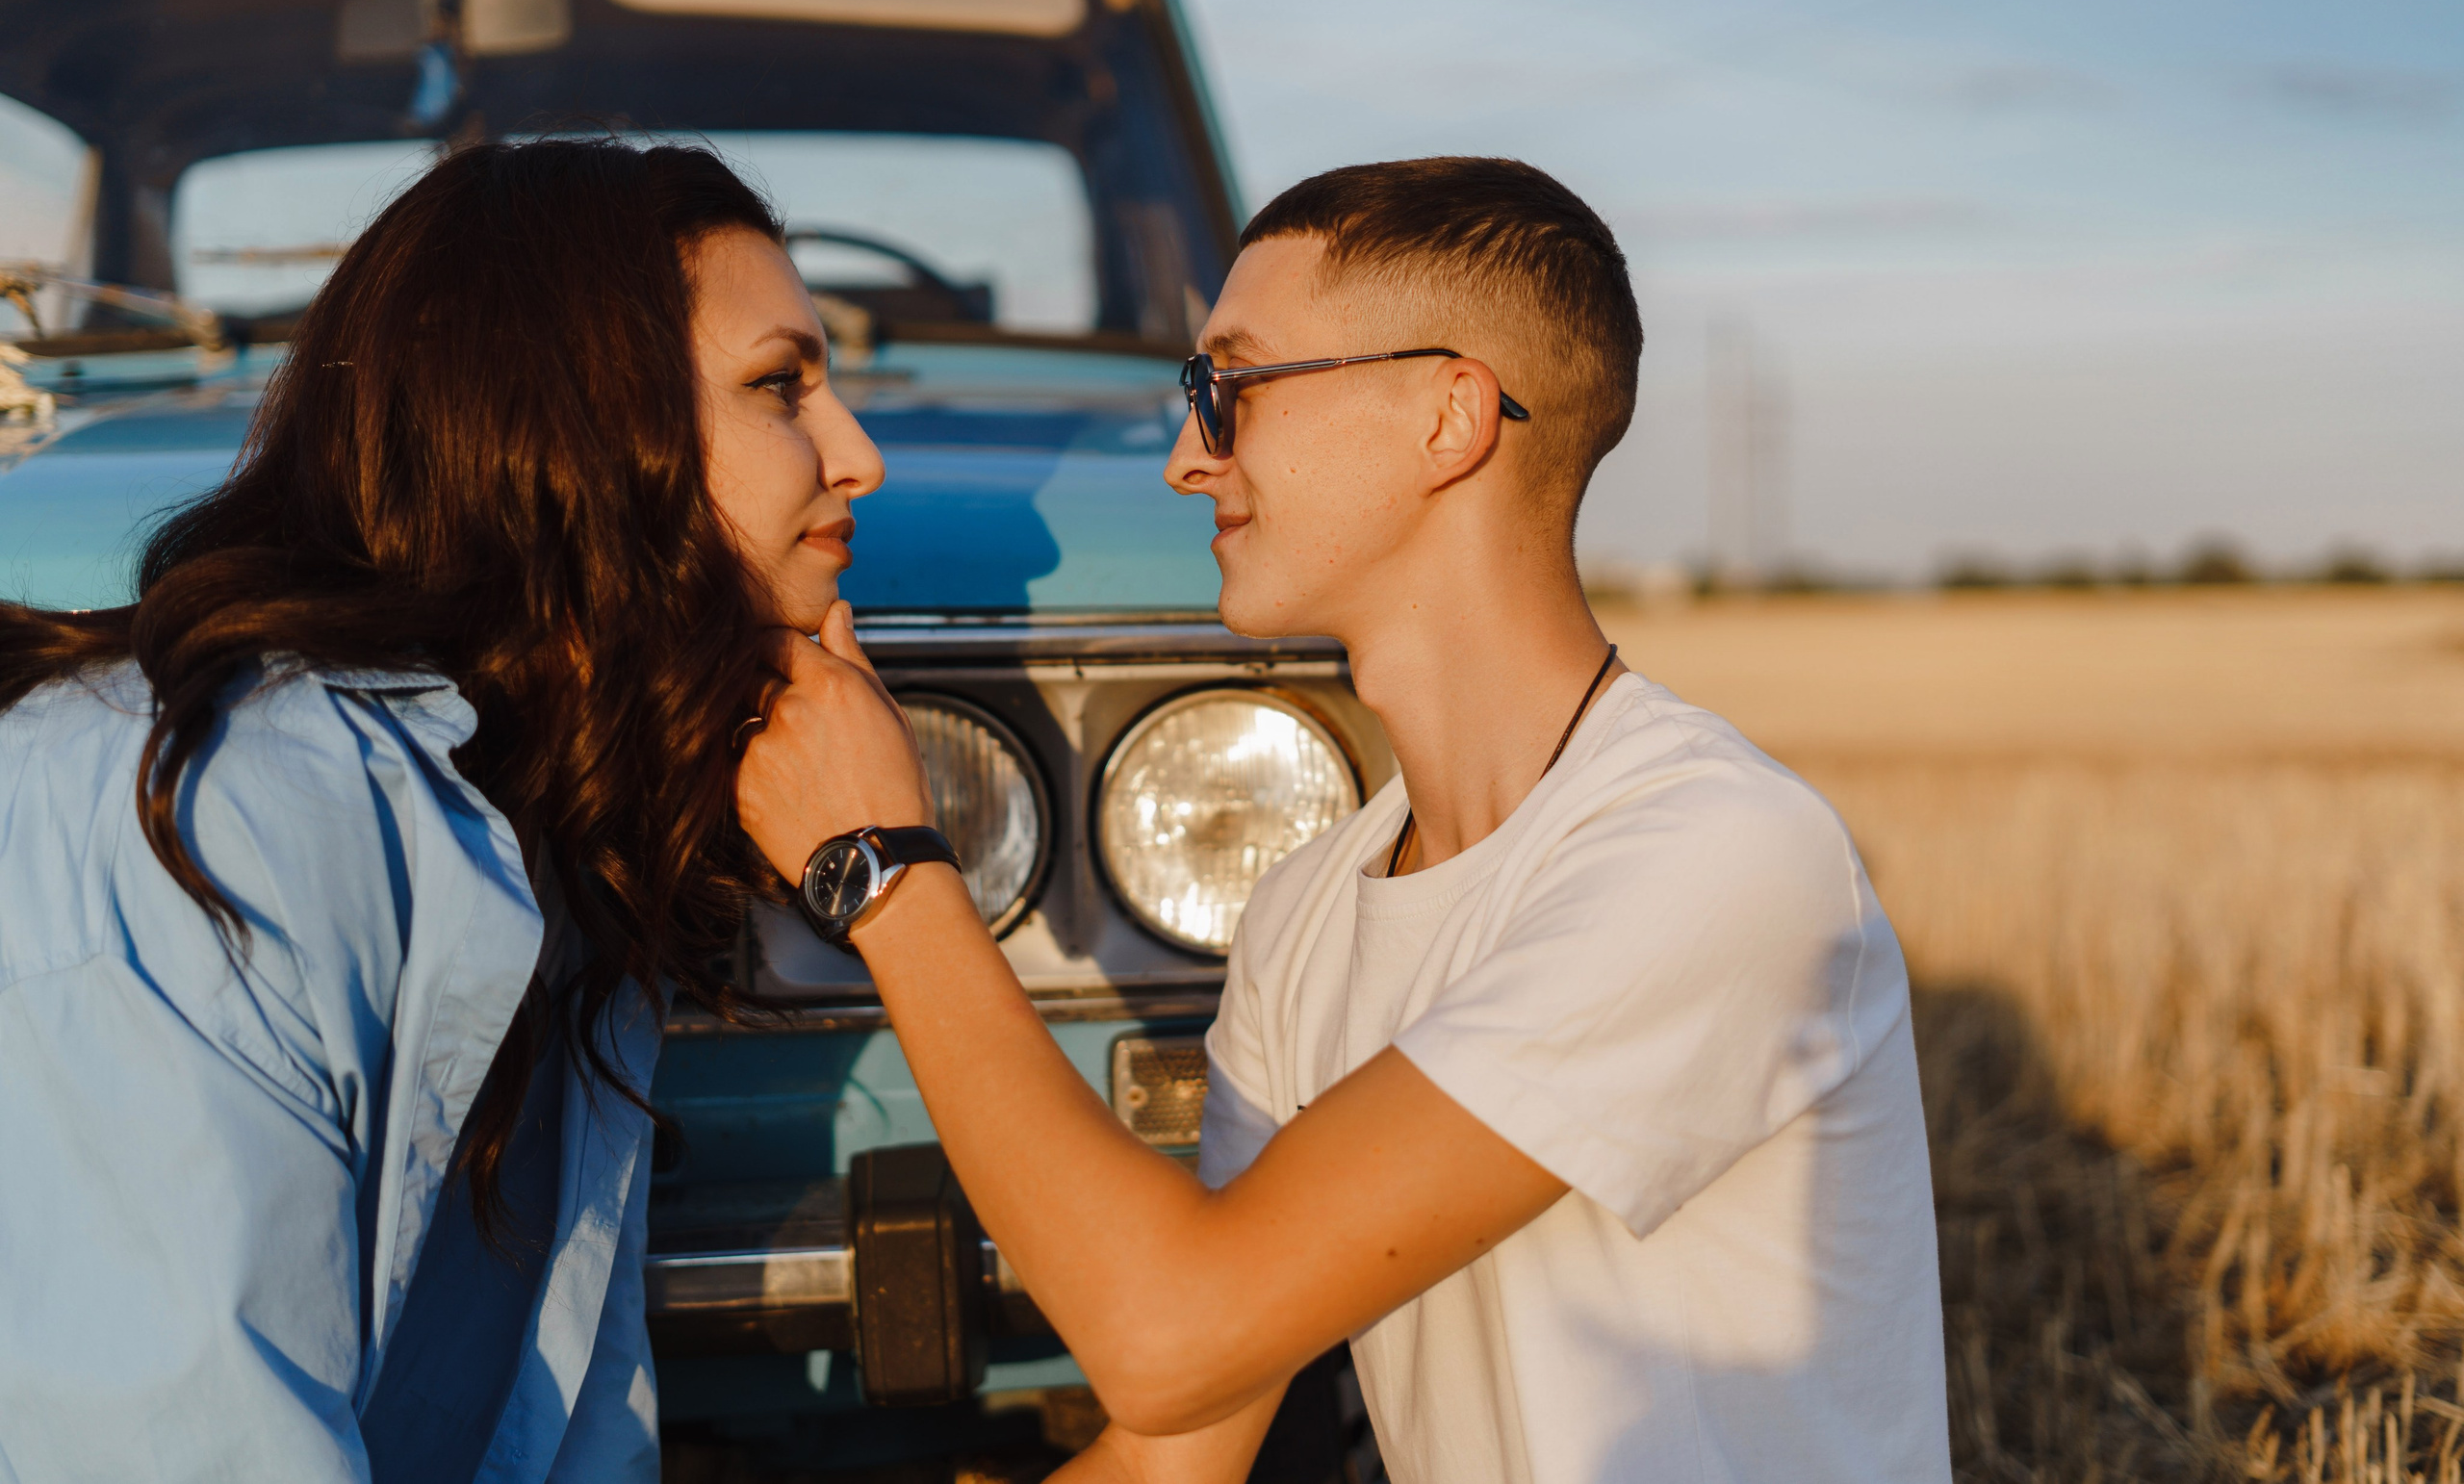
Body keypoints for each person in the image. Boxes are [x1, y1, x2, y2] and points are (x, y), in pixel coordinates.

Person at [737, 157, 1951, 1482]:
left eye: (1229, 389)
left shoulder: (1717, 855)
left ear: (1450, 418)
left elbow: (1167, 1339)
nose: (1190, 460)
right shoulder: (1305, 914)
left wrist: (889, 867)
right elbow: (1175, 1459)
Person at [0, 139, 885, 1481]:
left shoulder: (528, 817)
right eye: (782, 386)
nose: (860, 456)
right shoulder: (205, 803)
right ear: (575, 414)